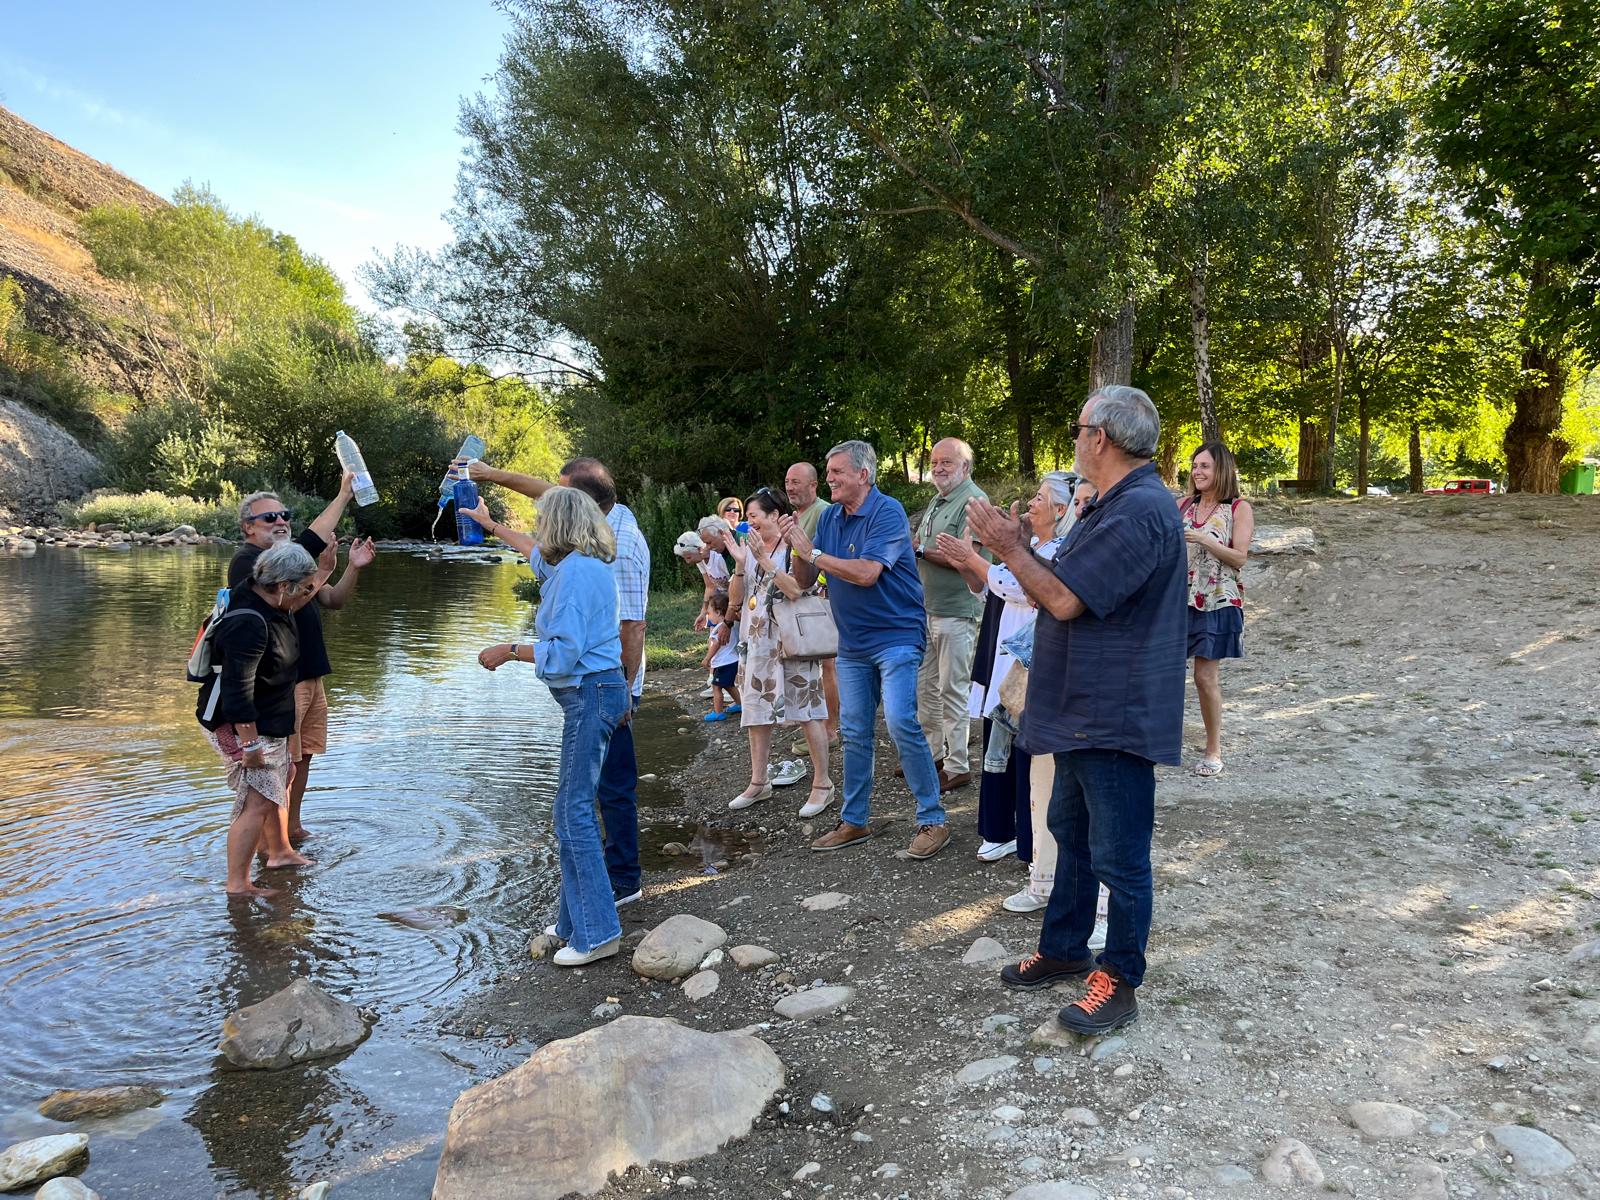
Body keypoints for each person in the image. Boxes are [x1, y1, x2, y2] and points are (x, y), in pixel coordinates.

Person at [967, 386, 1186, 1035]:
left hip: (1116, 713)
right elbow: (1066, 586)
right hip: (1086, 708)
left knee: (1120, 853)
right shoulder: (1111, 504)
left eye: (1077, 426)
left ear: (1102, 439)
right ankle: (1066, 947)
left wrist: (1008, 546)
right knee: (1071, 827)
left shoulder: (1139, 510)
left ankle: (1118, 979)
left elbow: (1062, 599)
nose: (1073, 438)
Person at [460, 456, 649, 908]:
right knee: (587, 799)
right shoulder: (584, 550)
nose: (542, 510)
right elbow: (538, 556)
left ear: (574, 511)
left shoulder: (610, 550)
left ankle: (618, 885)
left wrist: (510, 650)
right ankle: (597, 892)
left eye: (550, 505)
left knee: (597, 798)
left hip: (606, 687)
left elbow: (630, 627)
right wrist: (491, 525)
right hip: (601, 687)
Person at [781, 440, 948, 859]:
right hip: (853, 643)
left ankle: (933, 819)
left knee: (899, 721)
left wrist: (814, 551)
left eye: (837, 471)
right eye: (828, 471)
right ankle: (855, 820)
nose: (830, 479)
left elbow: (868, 573)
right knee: (855, 732)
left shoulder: (887, 511)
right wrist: (797, 547)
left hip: (897, 636)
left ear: (863, 475)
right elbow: (803, 580)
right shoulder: (832, 517)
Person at [938, 471, 1078, 868]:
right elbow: (987, 589)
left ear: (1060, 510)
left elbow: (1016, 586)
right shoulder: (1028, 545)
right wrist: (966, 564)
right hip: (1000, 654)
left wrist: (978, 561)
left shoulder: (1059, 552)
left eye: (1040, 497)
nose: (1031, 502)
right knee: (995, 748)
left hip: (1030, 664)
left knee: (1023, 753)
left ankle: (1031, 841)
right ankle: (999, 829)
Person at [229, 480, 375, 848]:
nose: (281, 521)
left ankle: (291, 832)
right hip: (282, 682)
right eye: (269, 517)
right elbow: (286, 595)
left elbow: (333, 601)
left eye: (285, 515)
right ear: (248, 526)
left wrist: (352, 568)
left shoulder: (294, 564)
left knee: (303, 758)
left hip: (311, 675)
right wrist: (343, 494)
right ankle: (271, 847)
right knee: (280, 766)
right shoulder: (249, 562)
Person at [197, 542, 321, 897]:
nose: (309, 595)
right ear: (284, 586)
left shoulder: (268, 602)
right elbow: (238, 690)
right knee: (254, 802)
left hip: (270, 719)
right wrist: (249, 746)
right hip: (245, 726)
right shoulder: (248, 622)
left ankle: (280, 854)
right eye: (306, 588)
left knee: (279, 782)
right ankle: (238, 885)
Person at [726, 488, 835, 819]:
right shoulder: (751, 547)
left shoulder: (794, 548)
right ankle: (759, 782)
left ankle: (823, 784)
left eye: (755, 516)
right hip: (758, 640)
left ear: (775, 516)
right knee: (756, 712)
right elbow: (737, 598)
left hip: (791, 639)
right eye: (748, 518)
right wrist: (741, 565)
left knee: (807, 710)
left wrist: (761, 559)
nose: (750, 523)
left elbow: (796, 590)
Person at [912, 438, 988, 792]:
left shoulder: (973, 501)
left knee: (952, 688)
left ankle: (958, 765)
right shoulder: (937, 499)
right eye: (935, 462)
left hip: (958, 610)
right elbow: (925, 542)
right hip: (928, 608)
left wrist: (921, 551)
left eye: (947, 462)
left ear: (965, 467)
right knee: (926, 686)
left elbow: (965, 557)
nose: (938, 468)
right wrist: (922, 548)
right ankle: (932, 755)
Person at [1179, 442, 1254, 778]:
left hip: (1215, 600)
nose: (1198, 472)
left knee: (1204, 677)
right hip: (1177, 600)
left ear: (1221, 469)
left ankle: (1213, 749)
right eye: (1195, 466)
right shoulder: (1183, 505)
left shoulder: (1238, 508)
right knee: (1162, 673)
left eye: (1205, 466)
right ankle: (1158, 744)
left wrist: (1206, 540)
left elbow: (1239, 558)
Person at [784, 461, 840, 751]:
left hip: (824, 597)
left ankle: (831, 729)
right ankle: (818, 726)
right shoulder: (798, 515)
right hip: (806, 598)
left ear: (814, 485)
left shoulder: (823, 512)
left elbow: (824, 557)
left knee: (829, 664)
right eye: (787, 482)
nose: (790, 487)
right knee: (818, 665)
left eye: (796, 481)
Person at [674, 530, 729, 631]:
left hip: (735, 601)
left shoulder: (719, 558)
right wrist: (704, 612)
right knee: (714, 633)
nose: (688, 562)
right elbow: (710, 586)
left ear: (699, 549)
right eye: (685, 558)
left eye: (689, 557)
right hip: (721, 602)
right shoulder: (700, 560)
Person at [700, 591, 742, 722]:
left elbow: (717, 644)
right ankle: (740, 704)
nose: (708, 617)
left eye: (709, 614)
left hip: (724, 662)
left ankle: (718, 712)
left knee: (716, 687)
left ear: (718, 613)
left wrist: (707, 658)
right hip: (732, 660)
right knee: (729, 685)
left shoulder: (720, 628)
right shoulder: (731, 624)